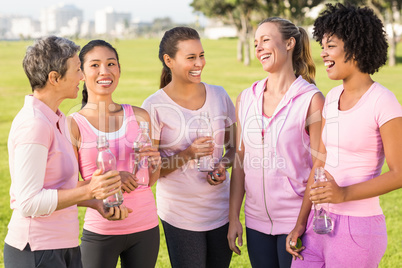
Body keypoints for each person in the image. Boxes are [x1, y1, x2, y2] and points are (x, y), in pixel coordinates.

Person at [286, 3, 402, 267]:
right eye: (322, 45)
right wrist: (300, 222)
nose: (323, 53)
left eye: (331, 45)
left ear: (356, 48)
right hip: (319, 223)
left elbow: (399, 172)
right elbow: (320, 162)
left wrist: (343, 194)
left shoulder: (383, 102)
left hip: (358, 229)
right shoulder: (332, 97)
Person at [3, 36, 122, 268]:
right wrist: (89, 189)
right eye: (78, 69)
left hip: (63, 246)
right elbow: (28, 202)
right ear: (54, 78)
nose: (82, 76)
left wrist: (93, 200)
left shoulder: (57, 119)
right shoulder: (35, 124)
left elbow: (58, 187)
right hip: (36, 250)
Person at [227, 17, 324, 268]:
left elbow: (319, 167)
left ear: (290, 43)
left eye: (266, 40)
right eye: (256, 43)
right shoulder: (246, 98)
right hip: (255, 222)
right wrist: (234, 218)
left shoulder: (311, 100)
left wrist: (301, 223)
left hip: (296, 220)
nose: (258, 48)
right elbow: (240, 162)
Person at [142, 26, 236, 268]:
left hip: (220, 210)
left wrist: (222, 166)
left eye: (201, 55)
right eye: (191, 57)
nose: (199, 63)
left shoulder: (219, 96)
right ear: (169, 60)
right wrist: (187, 154)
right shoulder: (154, 106)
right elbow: (151, 173)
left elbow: (235, 148)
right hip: (180, 215)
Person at [68, 39, 161, 268]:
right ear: (81, 72)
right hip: (101, 229)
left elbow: (149, 181)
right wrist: (112, 179)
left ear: (119, 70)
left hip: (145, 227)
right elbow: (68, 188)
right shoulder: (73, 124)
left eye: (111, 64)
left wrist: (156, 163)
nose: (104, 71)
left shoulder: (140, 116)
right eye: (95, 65)